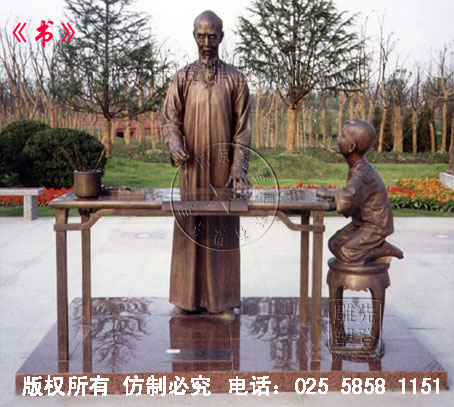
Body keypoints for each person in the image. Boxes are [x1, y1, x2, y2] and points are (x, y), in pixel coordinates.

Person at [162, 10, 251, 318]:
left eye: (212, 36)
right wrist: (175, 144)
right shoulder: (182, 78)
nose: (207, 42)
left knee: (221, 230)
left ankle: (222, 300)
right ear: (194, 37)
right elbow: (170, 118)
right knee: (189, 227)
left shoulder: (235, 79)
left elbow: (243, 128)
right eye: (201, 36)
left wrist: (239, 166)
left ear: (221, 37)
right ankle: (185, 298)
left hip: (223, 171)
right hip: (192, 168)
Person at [316, 119, 403, 264]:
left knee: (346, 251)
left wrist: (326, 192)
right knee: (334, 244)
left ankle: (382, 249)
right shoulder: (355, 166)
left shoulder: (362, 173)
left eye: (343, 136)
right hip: (361, 222)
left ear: (351, 147)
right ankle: (373, 249)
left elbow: (347, 195)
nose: (338, 138)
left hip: (376, 225)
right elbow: (353, 199)